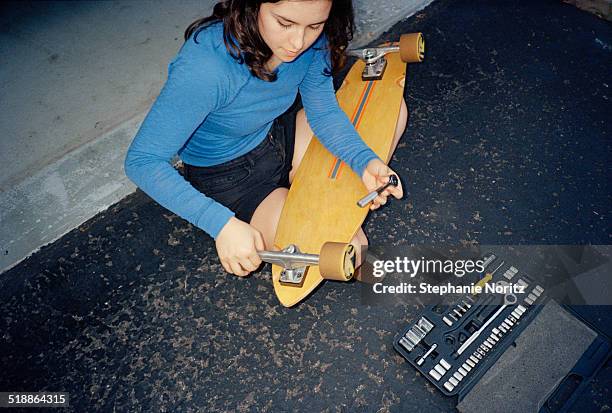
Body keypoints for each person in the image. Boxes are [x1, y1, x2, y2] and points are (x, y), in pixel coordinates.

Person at [124, 0, 407, 277]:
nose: (298, 42)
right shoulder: (205, 65)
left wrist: (364, 161)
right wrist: (221, 224)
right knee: (352, 250)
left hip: (276, 135)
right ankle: (313, 199)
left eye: (315, 25)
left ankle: (316, 195)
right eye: (285, 23)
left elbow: (323, 113)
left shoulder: (315, 39)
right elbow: (142, 161)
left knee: (393, 112)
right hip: (230, 177)